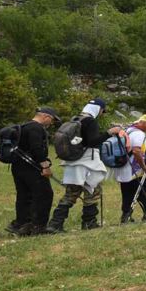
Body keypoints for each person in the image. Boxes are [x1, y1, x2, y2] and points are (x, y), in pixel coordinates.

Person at [48, 99, 118, 233]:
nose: (102, 114)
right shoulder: (90, 121)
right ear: (99, 109)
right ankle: (89, 222)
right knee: (93, 191)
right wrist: (109, 133)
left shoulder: (75, 118)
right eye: (102, 111)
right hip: (87, 162)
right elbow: (92, 142)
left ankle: (55, 224)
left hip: (72, 162)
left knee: (70, 194)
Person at [10, 107, 60, 237]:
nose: (51, 123)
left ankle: (21, 224)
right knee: (44, 194)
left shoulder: (23, 126)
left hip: (18, 167)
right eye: (52, 120)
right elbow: (36, 148)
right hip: (32, 167)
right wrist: (45, 166)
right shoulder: (36, 128)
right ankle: (38, 226)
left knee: (24, 195)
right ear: (46, 117)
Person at [115, 114, 146, 224]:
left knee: (127, 193)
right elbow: (136, 151)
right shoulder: (139, 133)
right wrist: (144, 166)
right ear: (142, 123)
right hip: (134, 168)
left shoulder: (129, 130)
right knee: (144, 191)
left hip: (123, 167)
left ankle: (125, 216)